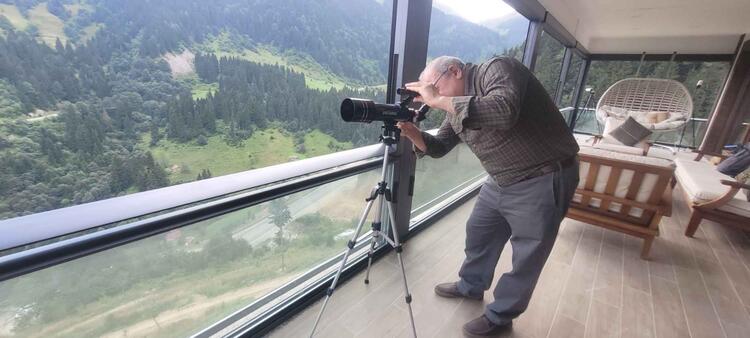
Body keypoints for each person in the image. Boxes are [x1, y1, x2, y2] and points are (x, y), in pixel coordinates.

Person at [397, 55, 580, 337]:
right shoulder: (454, 109)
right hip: (499, 179)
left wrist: (437, 100)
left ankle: (500, 315)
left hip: (543, 176)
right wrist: (412, 133)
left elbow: (504, 111)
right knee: (479, 231)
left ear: (455, 71)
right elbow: (440, 146)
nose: (432, 96)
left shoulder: (496, 69)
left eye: (433, 87)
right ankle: (471, 286)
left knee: (527, 254)